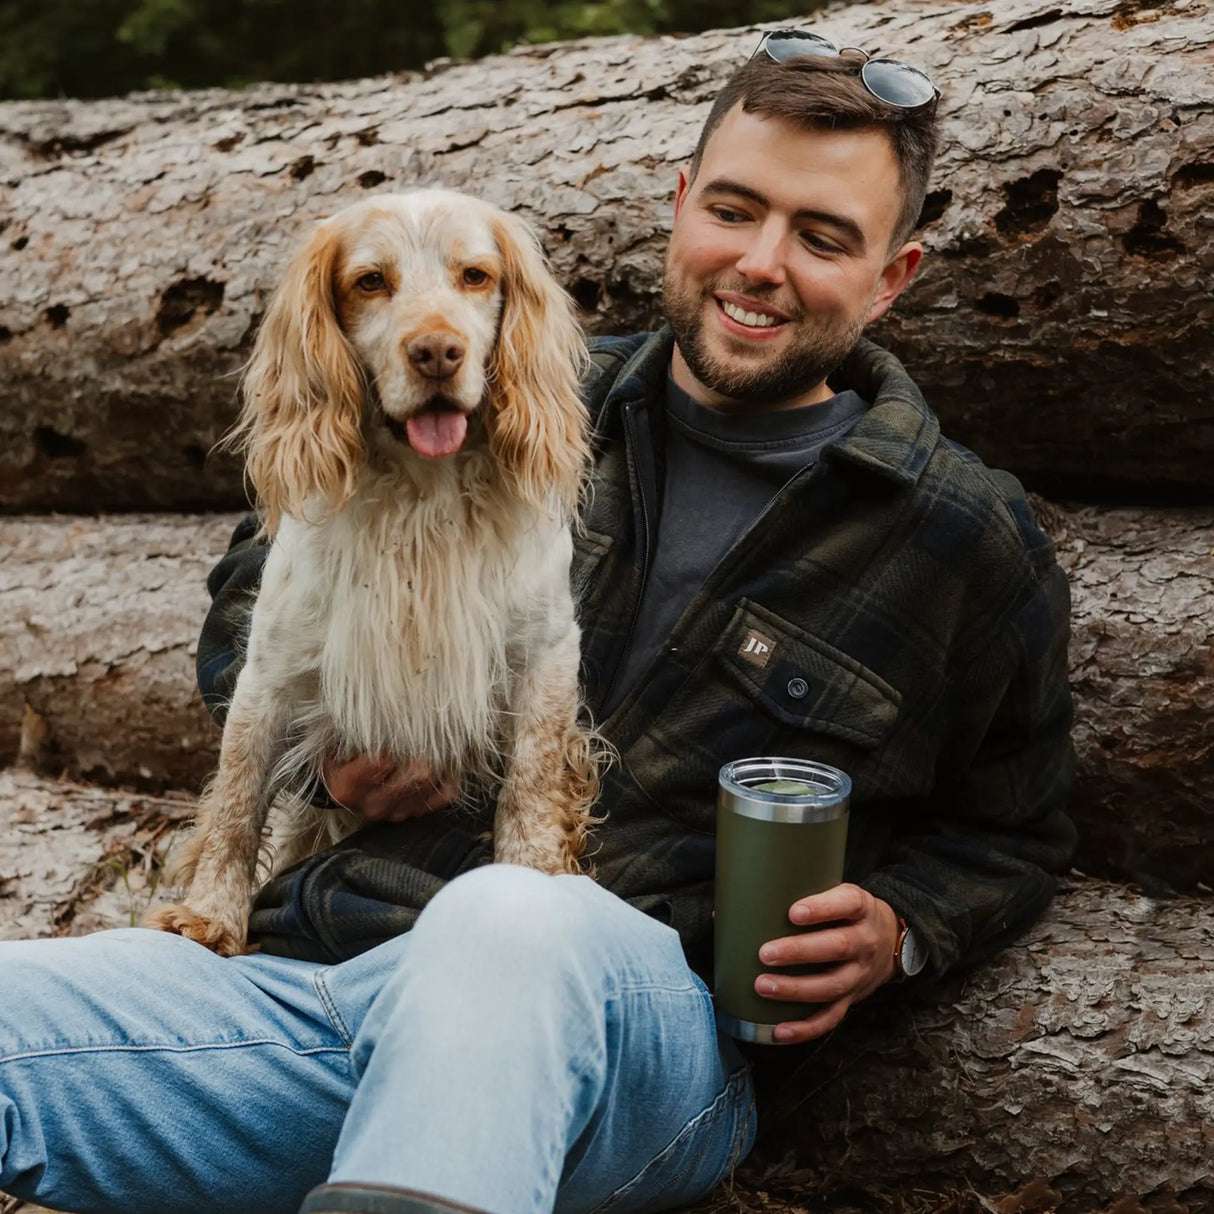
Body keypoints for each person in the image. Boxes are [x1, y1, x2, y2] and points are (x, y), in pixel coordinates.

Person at [0, 33, 1075, 1214]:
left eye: (821, 238)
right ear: (678, 208)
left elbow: (1012, 831)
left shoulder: (954, 537)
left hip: (636, 1049)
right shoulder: (495, 390)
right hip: (313, 988)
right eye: (732, 209)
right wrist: (339, 750)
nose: (760, 262)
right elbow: (248, 620)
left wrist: (899, 927)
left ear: (891, 276)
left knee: (509, 914)